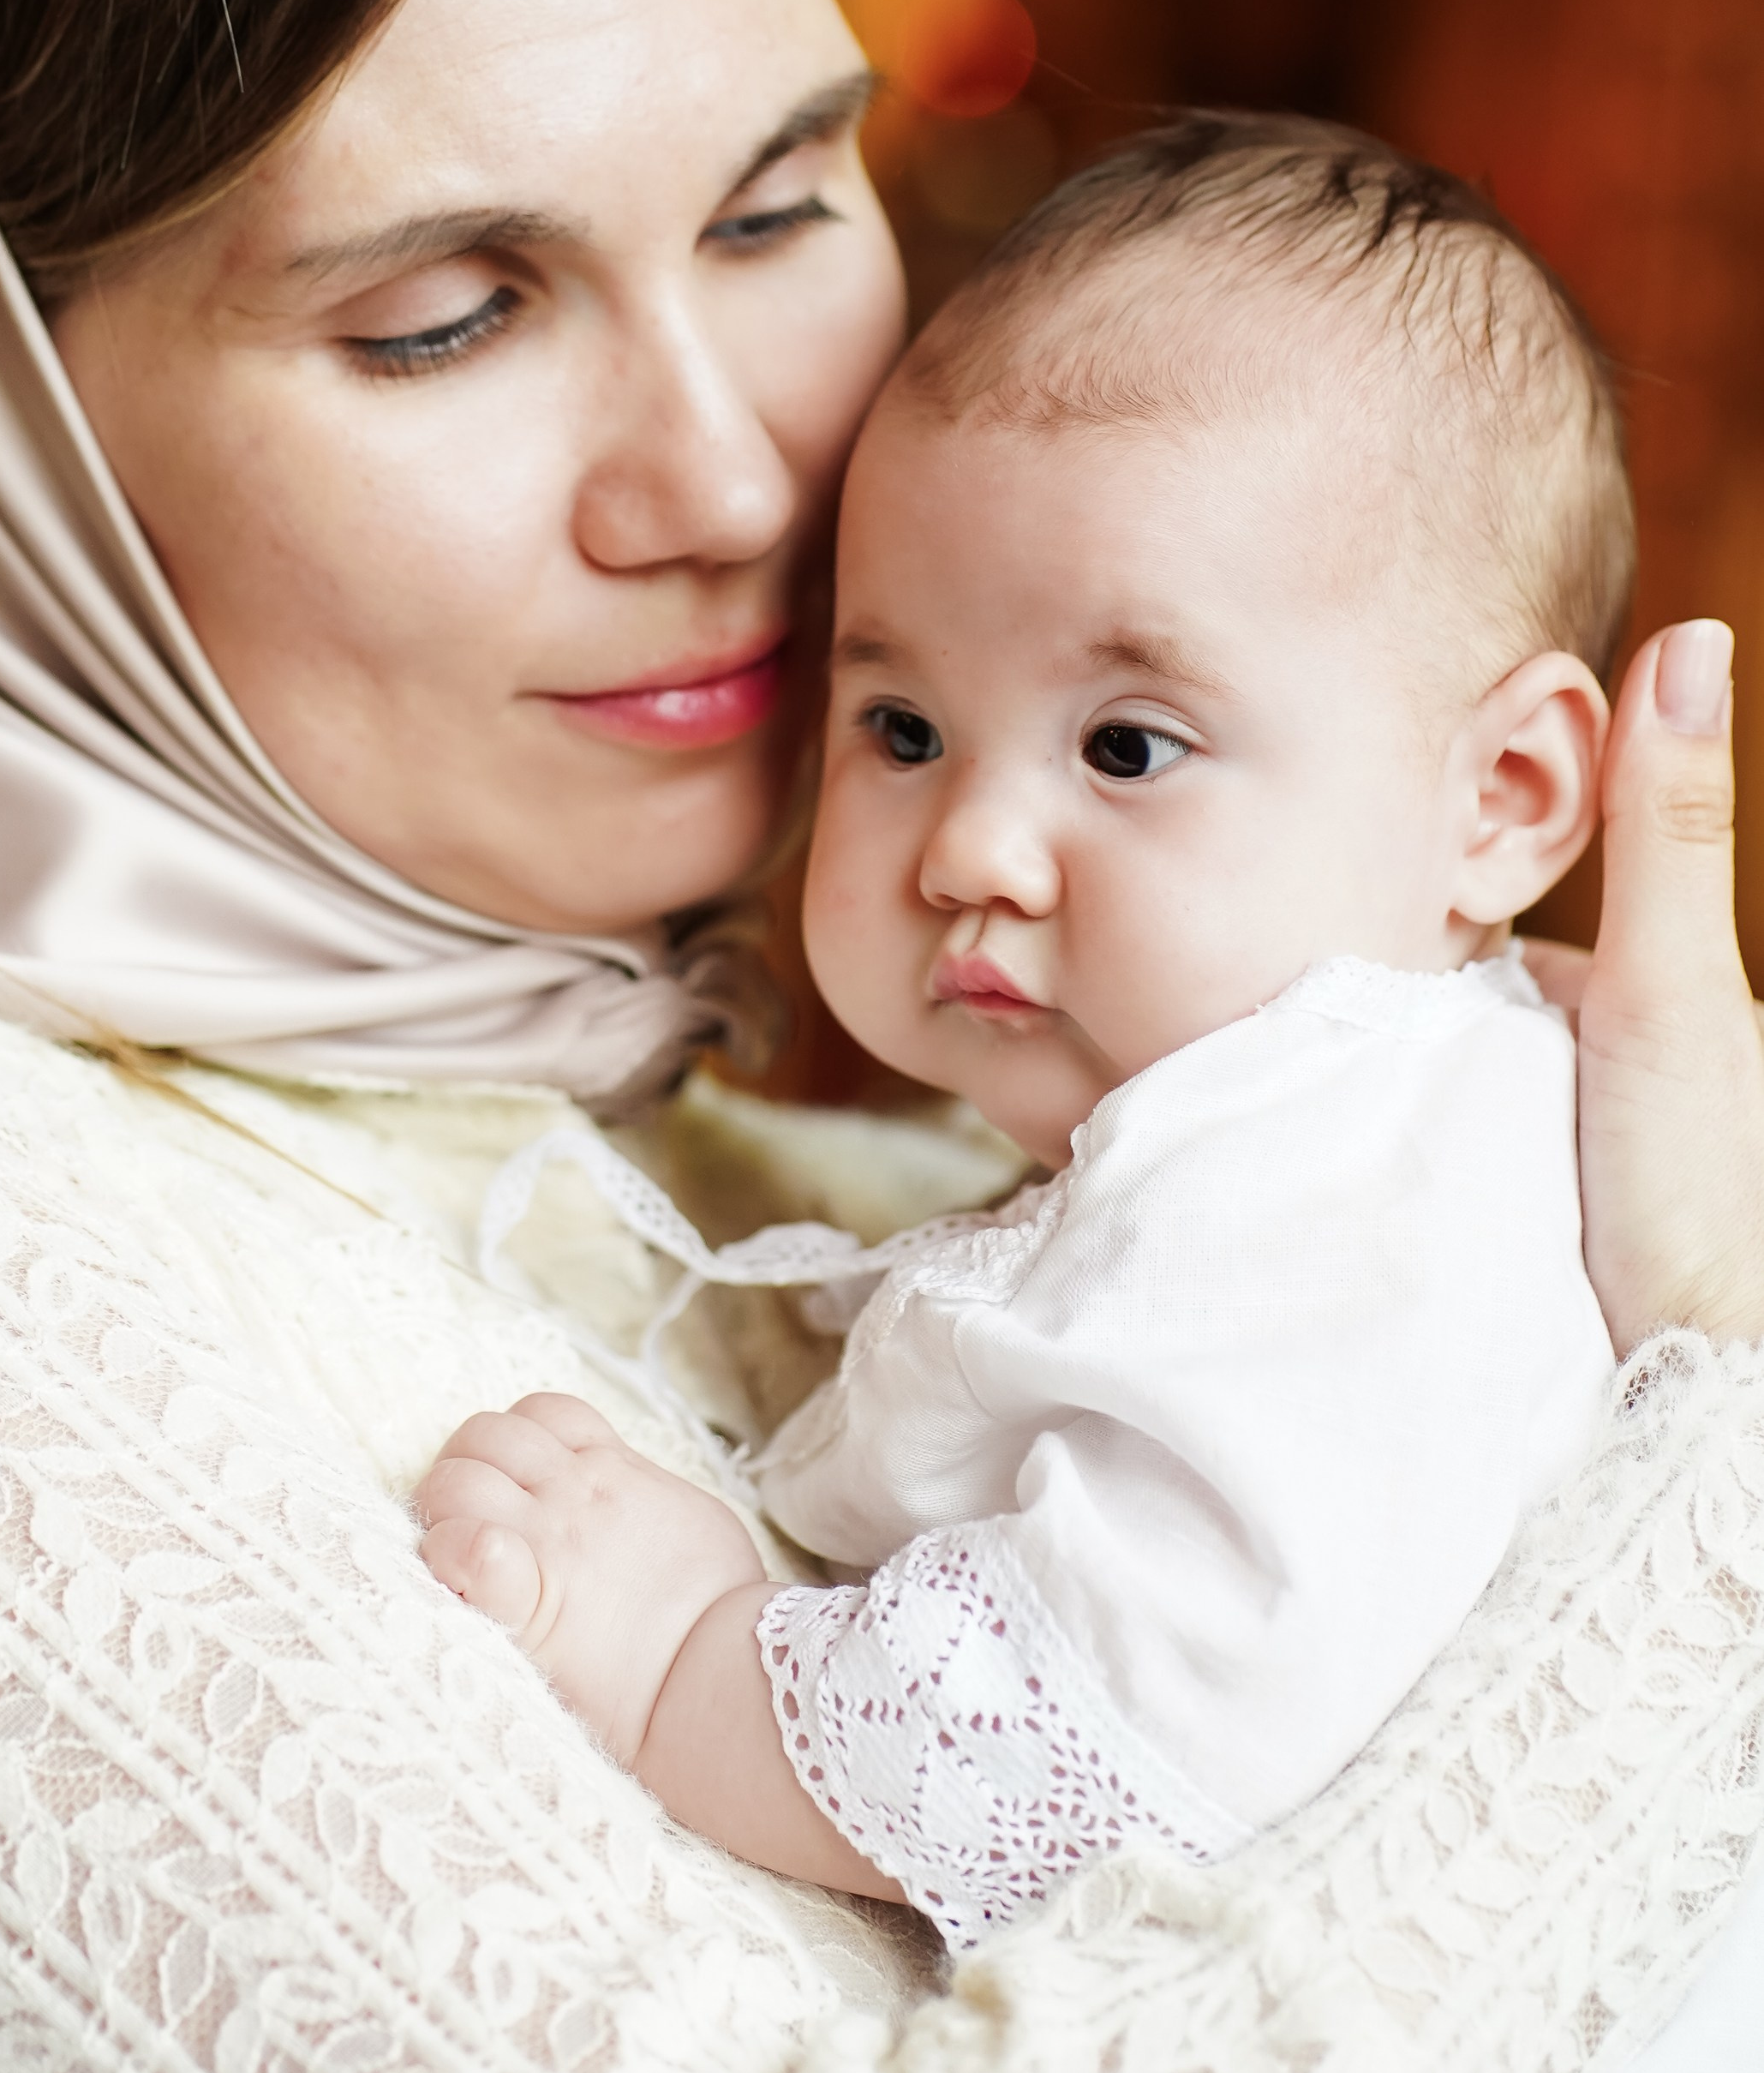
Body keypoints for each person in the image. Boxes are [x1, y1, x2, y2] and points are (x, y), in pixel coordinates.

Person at [0, 0, 1758, 2073]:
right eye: (446, 311)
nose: (734, 476)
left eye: (772, 209)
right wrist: (1725, 1449)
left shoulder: (822, 1092)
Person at [415, 119, 1631, 1950]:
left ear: (1503, 795)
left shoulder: (1344, 1203)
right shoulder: (1294, 1129)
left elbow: (1097, 1746)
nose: (967, 844)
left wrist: (680, 1653)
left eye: (1126, 746)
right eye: (900, 727)